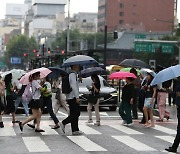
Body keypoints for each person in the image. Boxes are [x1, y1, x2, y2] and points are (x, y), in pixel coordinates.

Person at [60, 64, 83, 135]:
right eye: (78, 66)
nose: (79, 67)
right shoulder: (72, 74)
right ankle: (64, 122)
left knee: (73, 113)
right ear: (74, 66)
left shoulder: (71, 74)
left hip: (70, 96)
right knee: (76, 113)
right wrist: (77, 97)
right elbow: (73, 86)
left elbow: (74, 85)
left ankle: (75, 130)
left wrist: (79, 80)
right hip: (72, 97)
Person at [165, 77, 180, 153]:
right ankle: (174, 146)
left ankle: (174, 147)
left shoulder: (178, 86)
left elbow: (177, 95)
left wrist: (171, 92)